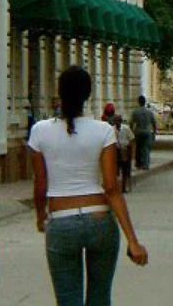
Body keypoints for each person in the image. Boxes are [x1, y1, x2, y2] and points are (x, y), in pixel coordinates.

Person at [28, 66, 147, 306]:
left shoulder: (40, 131)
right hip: (100, 221)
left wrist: (41, 216)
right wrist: (132, 240)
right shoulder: (103, 130)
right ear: (88, 95)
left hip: (61, 222)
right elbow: (111, 188)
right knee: (100, 298)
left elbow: (40, 186)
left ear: (59, 93)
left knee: (67, 299)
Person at [129, 96, 155, 170]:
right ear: (145, 102)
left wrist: (130, 132)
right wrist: (154, 132)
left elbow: (131, 123)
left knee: (138, 148)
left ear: (138, 102)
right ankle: (146, 164)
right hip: (147, 131)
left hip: (138, 131)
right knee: (146, 148)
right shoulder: (149, 112)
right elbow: (154, 123)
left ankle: (139, 163)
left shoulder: (135, 112)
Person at [113, 116, 134, 193]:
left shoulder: (126, 128)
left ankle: (124, 187)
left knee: (125, 170)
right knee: (116, 170)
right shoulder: (112, 129)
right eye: (115, 122)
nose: (117, 123)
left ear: (120, 122)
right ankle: (117, 187)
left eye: (118, 121)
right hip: (117, 150)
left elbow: (131, 139)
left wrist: (132, 153)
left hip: (125, 149)